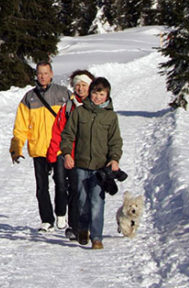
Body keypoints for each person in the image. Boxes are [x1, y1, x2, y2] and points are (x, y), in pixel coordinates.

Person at [60, 76, 123, 250]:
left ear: (107, 95)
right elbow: (67, 135)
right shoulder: (80, 112)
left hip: (100, 168)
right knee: (82, 201)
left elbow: (115, 141)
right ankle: (83, 228)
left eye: (102, 94)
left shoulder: (111, 117)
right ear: (91, 93)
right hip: (80, 165)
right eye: (95, 93)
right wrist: (67, 154)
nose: (98, 98)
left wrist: (114, 159)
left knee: (97, 201)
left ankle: (96, 237)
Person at [10, 61, 71, 231]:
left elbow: (74, 118)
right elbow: (21, 125)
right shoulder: (29, 97)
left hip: (58, 147)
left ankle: (60, 212)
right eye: (39, 73)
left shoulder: (63, 94)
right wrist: (16, 147)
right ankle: (46, 219)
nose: (42, 77)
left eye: (45, 73)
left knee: (61, 182)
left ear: (51, 74)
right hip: (38, 148)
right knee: (41, 186)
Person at [46, 69, 94, 241]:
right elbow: (57, 131)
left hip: (89, 156)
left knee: (85, 192)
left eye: (84, 85)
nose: (80, 89)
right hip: (69, 155)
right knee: (73, 189)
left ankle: (90, 226)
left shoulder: (95, 106)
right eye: (77, 85)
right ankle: (74, 226)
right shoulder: (67, 107)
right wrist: (53, 156)